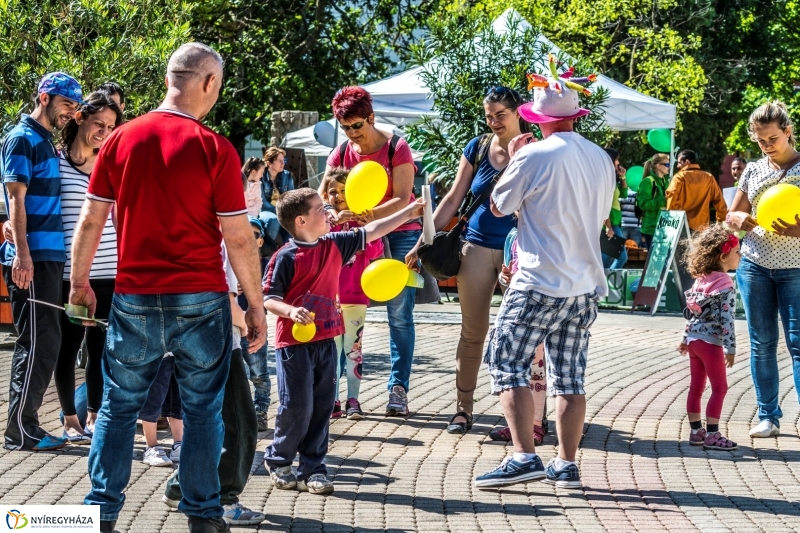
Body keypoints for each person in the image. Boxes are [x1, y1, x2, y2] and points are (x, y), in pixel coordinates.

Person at [70, 43, 267, 533]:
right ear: (208, 83)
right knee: (202, 411)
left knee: (118, 408)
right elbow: (239, 237)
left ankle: (100, 513)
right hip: (200, 298)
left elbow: (91, 220)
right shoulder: (214, 148)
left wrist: (79, 282)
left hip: (134, 295)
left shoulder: (119, 141)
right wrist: (255, 303)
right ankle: (202, 517)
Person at [474, 71, 614, 489]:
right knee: (570, 376)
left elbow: (499, 206)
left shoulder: (535, 155)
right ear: (576, 115)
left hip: (538, 280)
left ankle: (523, 456)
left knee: (506, 362)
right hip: (584, 283)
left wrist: (517, 158)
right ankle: (566, 463)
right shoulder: (600, 157)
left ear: (535, 118)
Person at [263, 188, 424, 494]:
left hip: (326, 341)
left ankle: (313, 468)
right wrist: (291, 311)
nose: (328, 212)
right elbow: (269, 298)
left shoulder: (335, 244)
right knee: (297, 406)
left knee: (322, 406)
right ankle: (280, 460)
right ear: (301, 221)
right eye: (319, 209)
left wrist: (408, 212)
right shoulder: (284, 257)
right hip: (293, 346)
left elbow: (372, 229)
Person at [406, 86, 525, 433]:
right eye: (489, 116)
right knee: (473, 332)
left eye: (500, 115)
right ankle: (463, 409)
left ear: (517, 112)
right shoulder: (478, 147)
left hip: (518, 252)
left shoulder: (534, 148)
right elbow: (454, 199)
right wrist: (422, 241)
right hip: (473, 247)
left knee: (523, 334)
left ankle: (530, 417)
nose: (494, 122)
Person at [1, 72, 84, 452]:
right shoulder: (22, 138)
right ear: (45, 97)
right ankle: (21, 430)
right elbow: (15, 199)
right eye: (67, 104)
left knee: (46, 341)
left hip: (48, 256)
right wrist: (22, 253)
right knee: (36, 341)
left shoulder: (45, 142)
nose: (71, 112)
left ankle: (26, 425)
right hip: (30, 258)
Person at [324, 86, 419, 416]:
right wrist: (336, 213)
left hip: (401, 234)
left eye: (357, 127)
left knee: (399, 315)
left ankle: (398, 388)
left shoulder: (397, 147)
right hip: (354, 239)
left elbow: (404, 198)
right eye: (345, 127)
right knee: (342, 316)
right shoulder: (339, 153)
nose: (352, 134)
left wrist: (370, 215)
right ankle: (337, 392)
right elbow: (327, 197)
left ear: (371, 118)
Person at [163, 243, 265, 527]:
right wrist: (250, 323)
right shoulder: (220, 237)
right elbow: (224, 297)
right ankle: (223, 499)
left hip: (186, 338)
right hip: (216, 339)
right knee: (239, 423)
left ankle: (180, 488)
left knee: (206, 424)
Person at [725, 101, 800, 440]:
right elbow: (732, 216)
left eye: (773, 138)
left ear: (788, 132)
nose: (767, 145)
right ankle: (768, 415)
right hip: (755, 265)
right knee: (761, 343)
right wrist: (736, 219)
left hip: (796, 268)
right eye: (760, 140)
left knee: (798, 345)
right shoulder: (754, 170)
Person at [55, 92, 123, 443]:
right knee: (68, 346)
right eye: (99, 124)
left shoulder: (108, 165)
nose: (104, 132)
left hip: (111, 271)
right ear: (79, 118)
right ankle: (69, 420)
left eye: (110, 127)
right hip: (72, 273)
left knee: (101, 348)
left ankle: (95, 416)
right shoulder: (55, 163)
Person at [321, 167, 383, 420]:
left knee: (353, 350)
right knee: (332, 353)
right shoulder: (325, 225)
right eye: (332, 192)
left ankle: (353, 401)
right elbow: (321, 249)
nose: (337, 196)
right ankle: (332, 400)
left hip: (356, 296)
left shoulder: (362, 226)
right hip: (329, 299)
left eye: (344, 191)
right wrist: (337, 223)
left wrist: (367, 227)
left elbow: (375, 252)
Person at [678, 226, 739, 451]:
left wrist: (685, 338)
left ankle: (696, 432)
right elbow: (727, 319)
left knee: (696, 387)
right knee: (720, 388)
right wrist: (730, 348)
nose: (740, 256)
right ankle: (713, 434)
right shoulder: (725, 284)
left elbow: (691, 312)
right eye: (737, 252)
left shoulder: (701, 279)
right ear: (723, 256)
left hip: (694, 341)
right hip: (711, 343)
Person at [489, 226, 548, 446]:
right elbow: (507, 275)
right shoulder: (513, 235)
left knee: (536, 368)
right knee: (515, 370)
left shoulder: (543, 231)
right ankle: (517, 424)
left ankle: (536, 424)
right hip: (516, 306)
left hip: (540, 306)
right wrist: (506, 277)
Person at [240, 216, 271, 432]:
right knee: (235, 374)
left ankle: (260, 412)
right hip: (232, 326)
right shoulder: (229, 262)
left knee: (258, 373)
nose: (250, 239)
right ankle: (239, 414)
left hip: (255, 329)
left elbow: (273, 292)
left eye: (255, 235)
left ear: (261, 241)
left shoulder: (267, 265)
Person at [666, 149, 728, 231]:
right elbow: (719, 200)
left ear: (687, 162)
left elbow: (672, 200)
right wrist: (720, 220)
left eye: (679, 162)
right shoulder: (709, 177)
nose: (677, 166)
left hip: (682, 226)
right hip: (702, 227)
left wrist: (670, 221)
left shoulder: (679, 177)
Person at [259, 147, 294, 245]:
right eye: (280, 161)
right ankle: (266, 253)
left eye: (284, 160)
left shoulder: (287, 175)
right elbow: (262, 202)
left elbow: (291, 197)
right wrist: (279, 210)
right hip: (265, 210)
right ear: (269, 163)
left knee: (292, 219)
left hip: (282, 209)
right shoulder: (261, 176)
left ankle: (289, 250)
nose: (283, 163)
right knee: (273, 220)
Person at [601, 148, 629, 269]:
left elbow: (624, 194)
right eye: (617, 159)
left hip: (614, 222)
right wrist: (608, 227)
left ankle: (602, 283)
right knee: (621, 257)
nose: (619, 162)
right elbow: (603, 204)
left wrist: (622, 177)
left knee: (607, 258)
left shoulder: (610, 177)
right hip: (609, 223)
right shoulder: (604, 178)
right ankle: (602, 283)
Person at [637, 153, 670, 249]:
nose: (669, 167)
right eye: (667, 165)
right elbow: (643, 204)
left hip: (664, 226)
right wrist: (662, 199)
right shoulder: (647, 181)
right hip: (652, 228)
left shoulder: (665, 181)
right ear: (658, 166)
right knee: (654, 261)